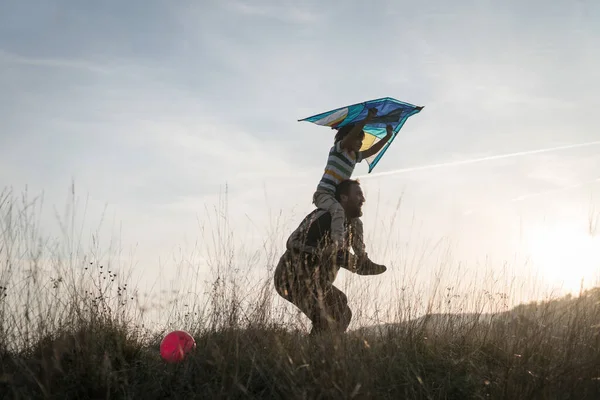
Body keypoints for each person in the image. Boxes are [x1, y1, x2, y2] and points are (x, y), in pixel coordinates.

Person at [275, 179, 387, 335]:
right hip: (291, 275)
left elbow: (338, 255)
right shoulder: (326, 217)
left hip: (313, 280)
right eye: (358, 194)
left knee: (341, 315)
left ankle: (319, 354)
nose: (363, 199)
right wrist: (325, 253)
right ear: (344, 198)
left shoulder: (351, 226)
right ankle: (318, 354)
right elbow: (292, 243)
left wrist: (359, 263)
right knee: (338, 304)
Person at [313, 107, 395, 255]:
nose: (360, 143)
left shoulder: (354, 157)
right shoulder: (338, 149)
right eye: (358, 139)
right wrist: (366, 119)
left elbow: (371, 151)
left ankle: (361, 256)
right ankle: (337, 246)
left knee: (356, 221)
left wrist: (387, 136)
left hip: (338, 197)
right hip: (324, 194)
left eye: (361, 140)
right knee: (338, 211)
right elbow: (350, 137)